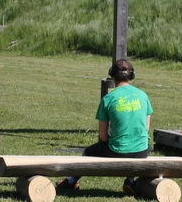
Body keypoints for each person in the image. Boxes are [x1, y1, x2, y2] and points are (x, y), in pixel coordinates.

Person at [57, 59, 153, 196]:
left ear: (111, 74)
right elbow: (146, 128)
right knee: (140, 147)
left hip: (117, 151)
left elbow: (102, 136)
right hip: (142, 151)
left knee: (89, 152)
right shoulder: (143, 96)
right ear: (132, 75)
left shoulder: (108, 99)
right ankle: (130, 180)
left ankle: (71, 181)